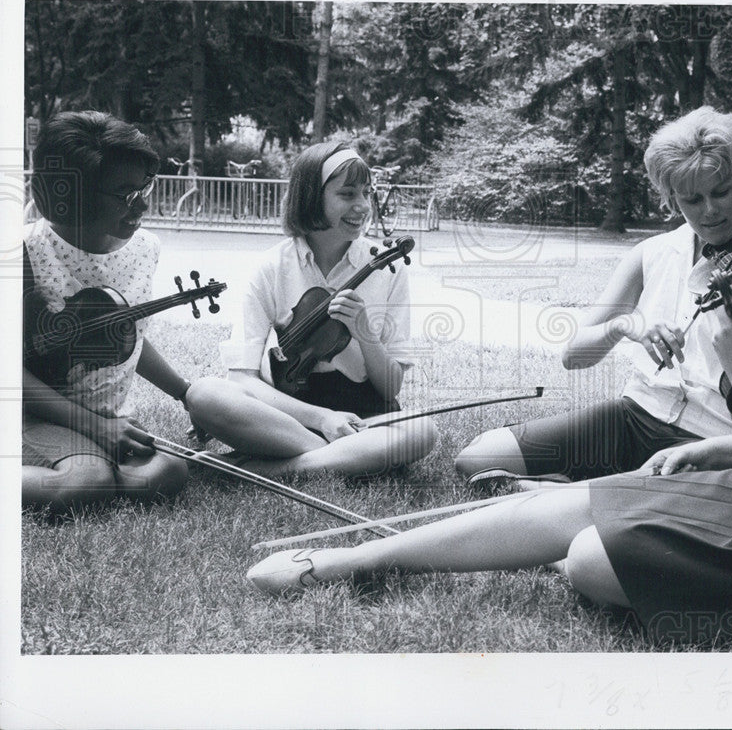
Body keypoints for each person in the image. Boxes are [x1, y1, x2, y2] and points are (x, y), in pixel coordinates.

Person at [248, 130, 732, 644]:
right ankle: (347, 562)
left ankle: (612, 531)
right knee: (579, 505)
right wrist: (724, 446)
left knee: (591, 560)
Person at [455, 106, 732, 486]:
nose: (710, 211)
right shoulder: (650, 255)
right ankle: (575, 491)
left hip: (706, 440)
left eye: (721, 192)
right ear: (671, 199)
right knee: (476, 458)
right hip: (635, 413)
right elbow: (573, 355)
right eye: (692, 200)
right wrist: (625, 325)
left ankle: (566, 493)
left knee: (624, 501)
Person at [185, 142, 436, 477]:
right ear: (311, 196)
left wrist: (365, 333)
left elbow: (390, 388)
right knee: (203, 394)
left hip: (363, 414)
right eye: (347, 194)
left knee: (422, 432)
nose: (362, 206)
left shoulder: (388, 267)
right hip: (287, 414)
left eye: (366, 193)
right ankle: (343, 459)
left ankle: (268, 470)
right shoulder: (271, 267)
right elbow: (242, 378)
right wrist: (321, 418)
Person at [22, 111, 190, 512]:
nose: (144, 204)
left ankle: (92, 463)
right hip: (32, 417)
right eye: (126, 194)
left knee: (165, 474)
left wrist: (185, 393)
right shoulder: (23, 253)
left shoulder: (145, 248)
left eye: (146, 187)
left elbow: (120, 337)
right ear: (71, 193)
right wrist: (94, 427)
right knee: (85, 484)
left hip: (108, 416)